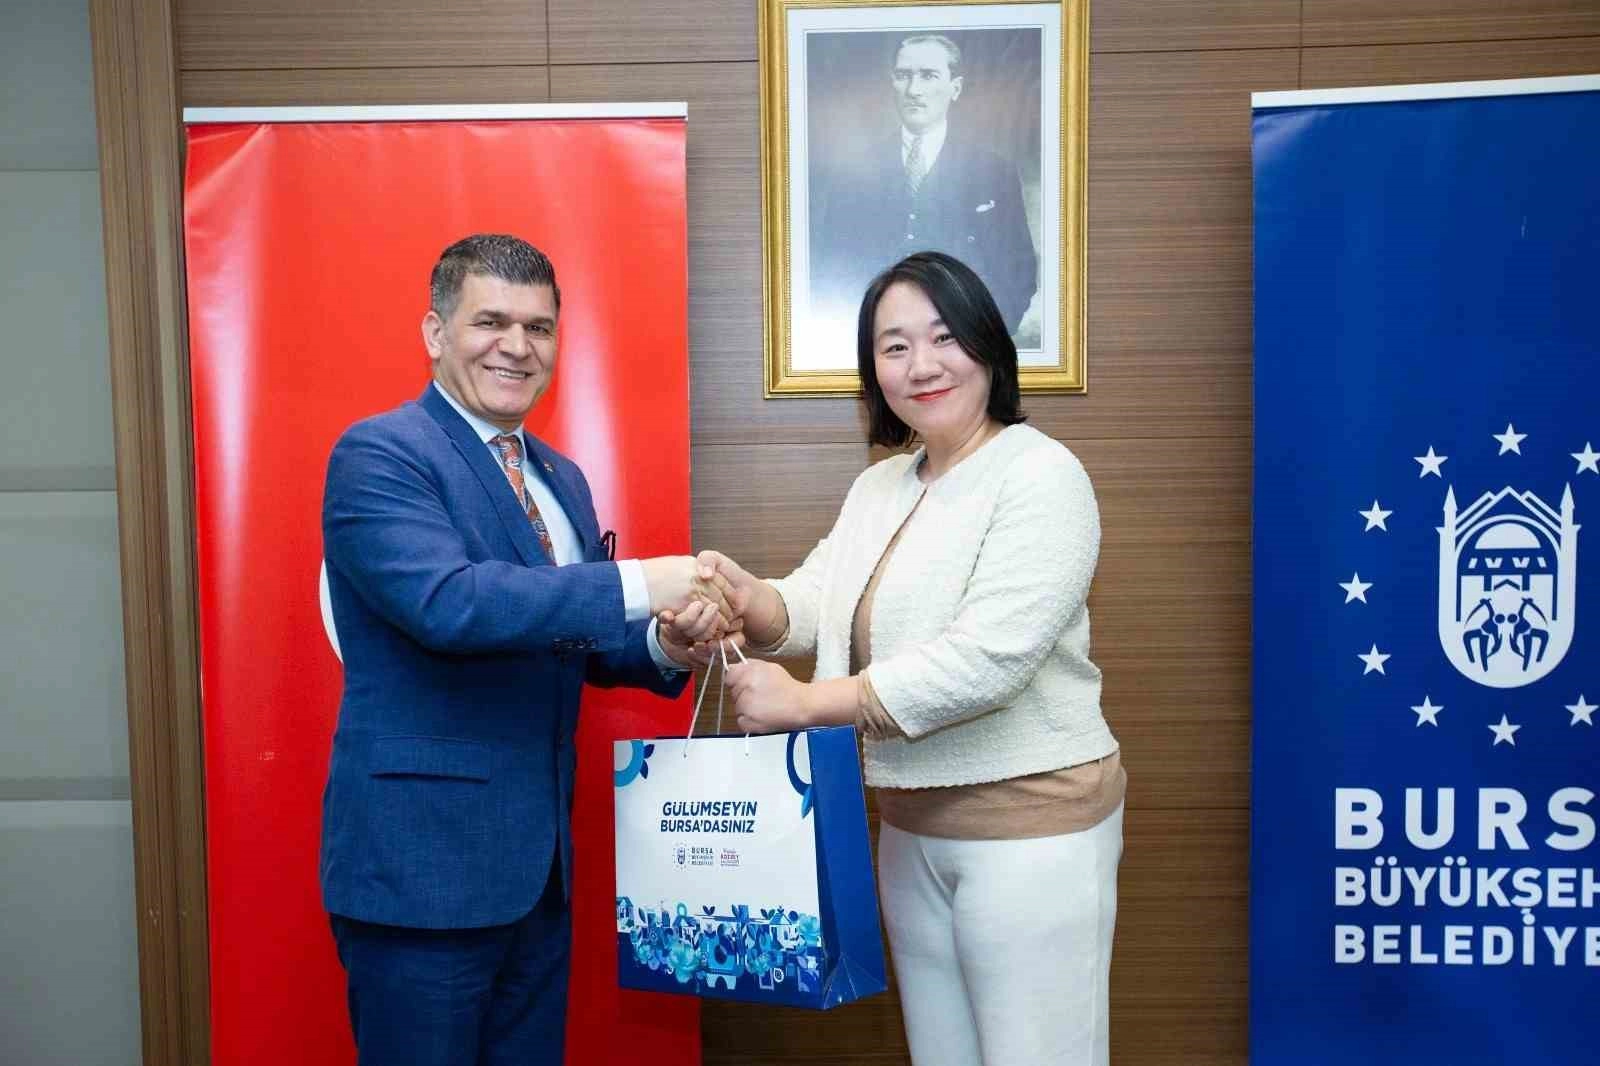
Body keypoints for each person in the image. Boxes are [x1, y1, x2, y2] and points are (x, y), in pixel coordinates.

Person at [692, 251, 1124, 1065]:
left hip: (1031, 827)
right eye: (894, 346)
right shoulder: (883, 485)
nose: (922, 364)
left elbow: (988, 662)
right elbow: (821, 600)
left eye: (944, 336)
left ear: (988, 346)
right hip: (907, 824)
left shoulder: (1041, 475)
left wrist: (806, 704)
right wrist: (749, 598)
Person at [318, 234, 729, 1066]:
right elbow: (450, 605)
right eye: (491, 322)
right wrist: (642, 580)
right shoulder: (380, 454)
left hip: (539, 875)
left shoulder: (558, 477)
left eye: (539, 328)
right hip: (421, 875)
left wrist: (667, 641)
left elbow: (571, 640)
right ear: (435, 332)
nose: (517, 346)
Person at [810, 34, 1038, 334]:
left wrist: (983, 342)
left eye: (928, 76)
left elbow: (1018, 273)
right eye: (903, 75)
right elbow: (828, 269)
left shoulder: (994, 172)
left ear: (955, 88)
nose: (913, 90)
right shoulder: (851, 174)